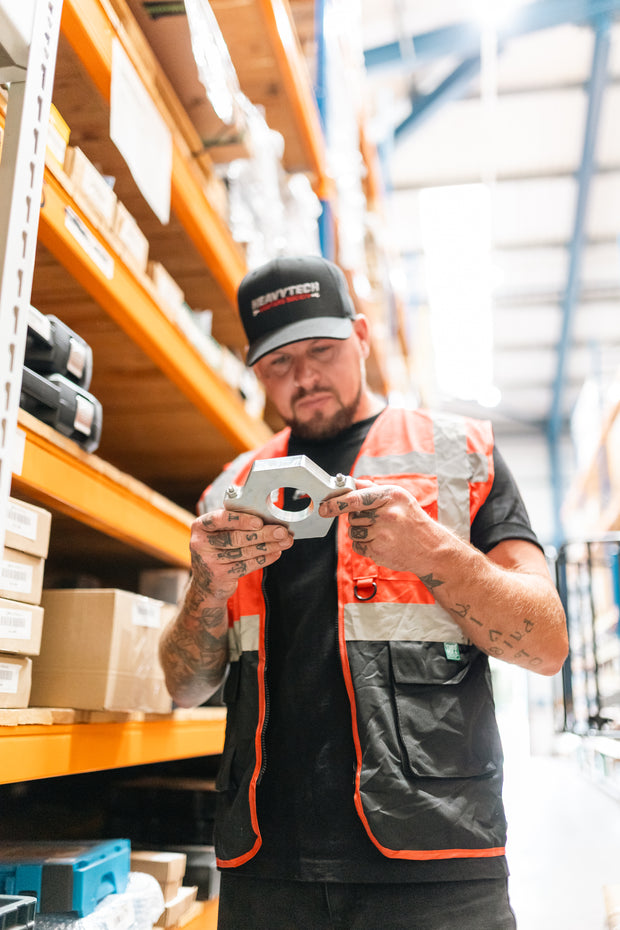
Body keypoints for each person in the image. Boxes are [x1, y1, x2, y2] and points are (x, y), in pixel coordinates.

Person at [159, 255, 568, 930]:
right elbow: (183, 686)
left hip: (436, 865)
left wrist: (432, 552)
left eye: (321, 350)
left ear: (361, 335)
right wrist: (207, 588)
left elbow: (547, 644)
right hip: (266, 871)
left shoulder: (461, 453)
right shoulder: (229, 492)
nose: (304, 377)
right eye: (278, 364)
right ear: (255, 369)